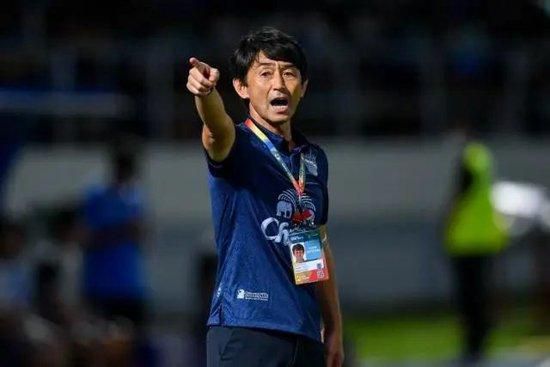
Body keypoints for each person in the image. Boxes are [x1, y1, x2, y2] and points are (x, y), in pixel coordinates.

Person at [187, 27, 344, 367]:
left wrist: (333, 326)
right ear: (241, 87)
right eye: (265, 73)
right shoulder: (237, 145)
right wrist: (205, 93)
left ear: (303, 87)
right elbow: (216, 127)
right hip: (246, 327)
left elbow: (312, 246)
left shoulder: (312, 161)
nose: (279, 83)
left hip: (303, 333)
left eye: (289, 73)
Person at [443, 126, 508, 364]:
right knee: (480, 294)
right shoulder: (484, 156)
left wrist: (448, 220)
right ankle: (480, 341)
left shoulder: (470, 157)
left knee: (470, 296)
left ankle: (474, 344)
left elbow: (461, 193)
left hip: (467, 239)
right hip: (485, 237)